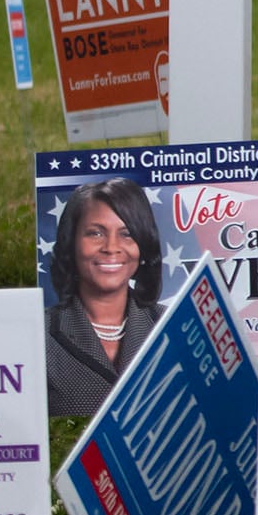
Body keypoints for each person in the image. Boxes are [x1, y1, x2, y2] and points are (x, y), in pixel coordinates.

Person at [43, 177, 164, 415]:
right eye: (95, 233)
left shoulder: (173, 325)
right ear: (71, 244)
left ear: (143, 245)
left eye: (127, 233)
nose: (111, 247)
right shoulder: (39, 334)